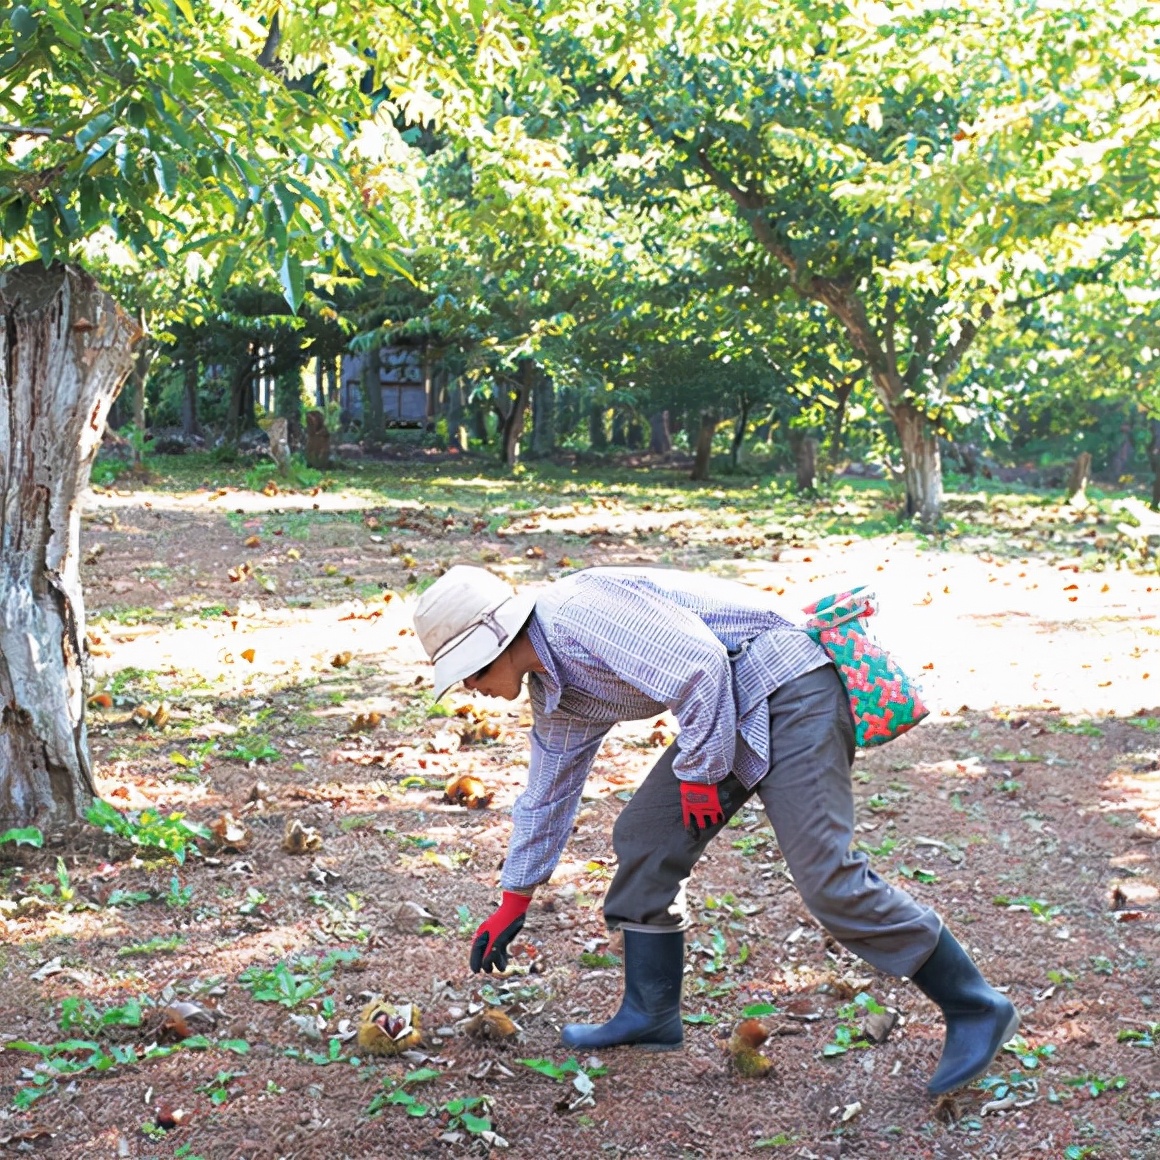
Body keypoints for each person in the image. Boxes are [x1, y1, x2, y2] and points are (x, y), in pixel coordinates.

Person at [412, 564, 1018, 1094]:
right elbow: (547, 789)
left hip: (789, 686)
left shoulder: (577, 616)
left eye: (467, 670)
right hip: (729, 705)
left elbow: (700, 664)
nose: (468, 687)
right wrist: (515, 896)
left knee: (827, 878)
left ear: (496, 640)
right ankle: (650, 1013)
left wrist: (701, 773)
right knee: (648, 837)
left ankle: (974, 1004)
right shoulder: (556, 691)